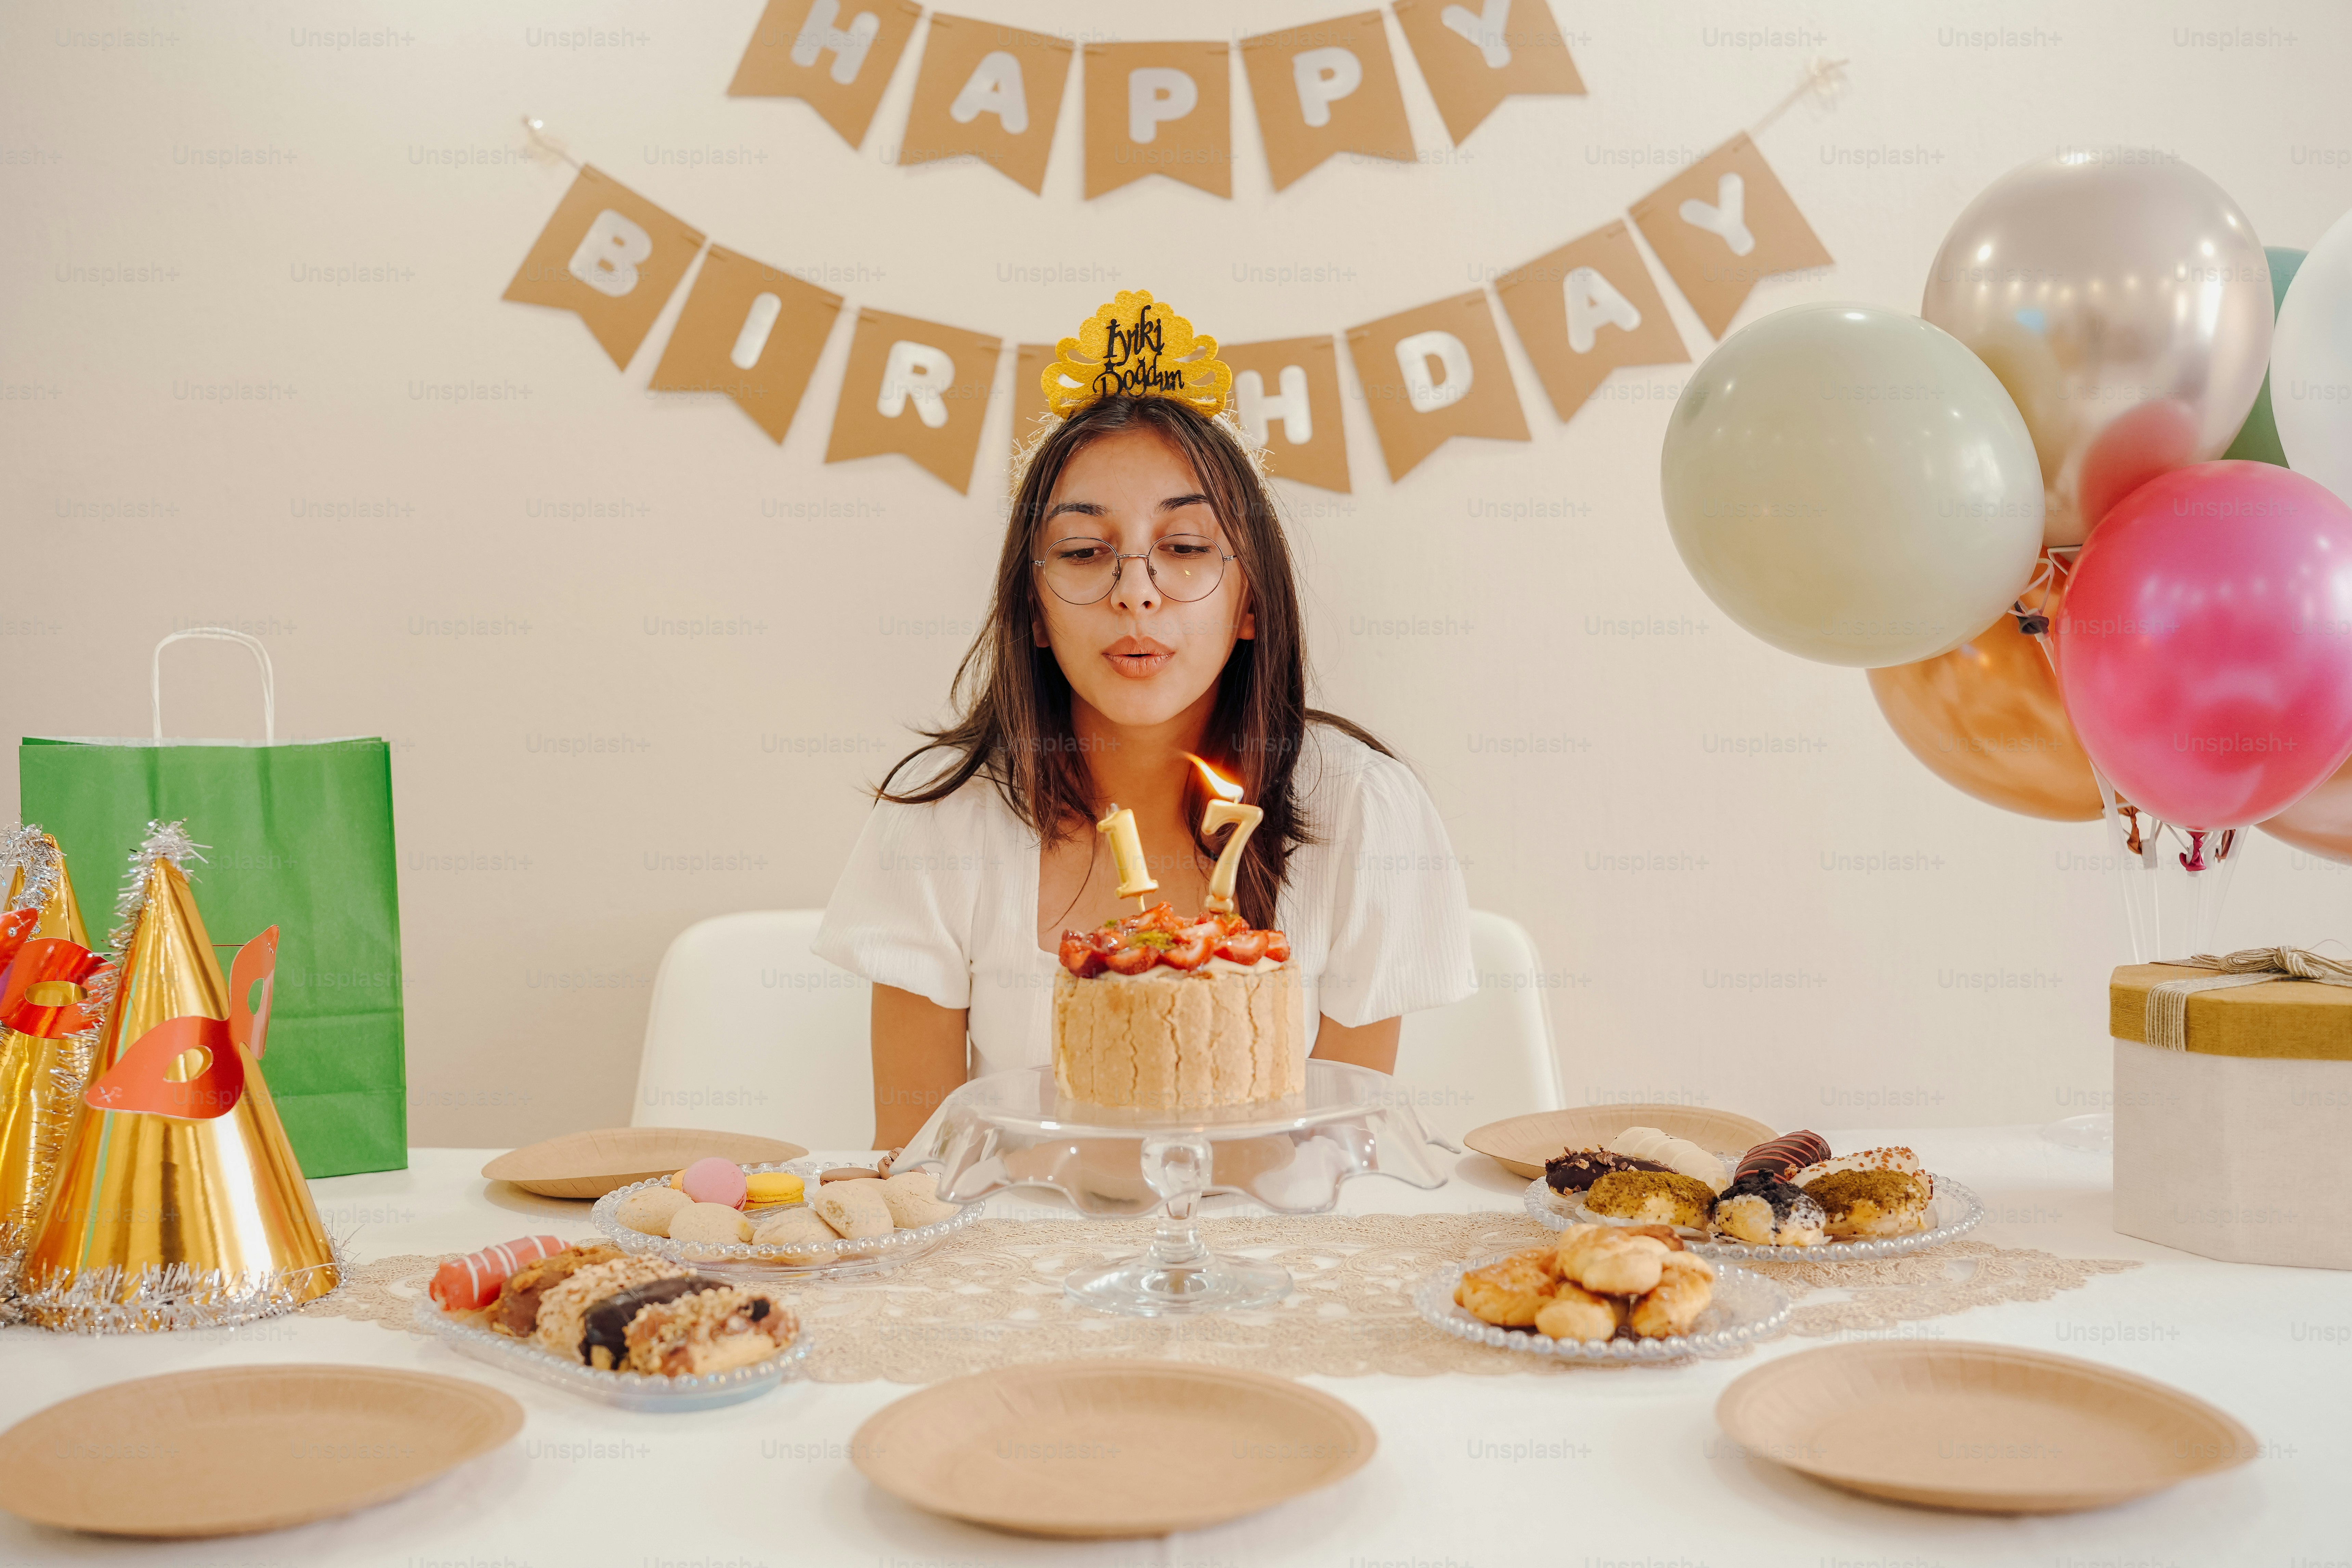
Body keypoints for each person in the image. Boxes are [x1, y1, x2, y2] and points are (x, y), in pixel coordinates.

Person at [817, 300, 1473, 1147]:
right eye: (1086, 551)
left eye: (1187, 547)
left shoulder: (1364, 814)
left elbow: (1339, 1167)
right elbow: (913, 1168)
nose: (1136, 591)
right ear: (1035, 608)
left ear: (1250, 598)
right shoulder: (939, 820)